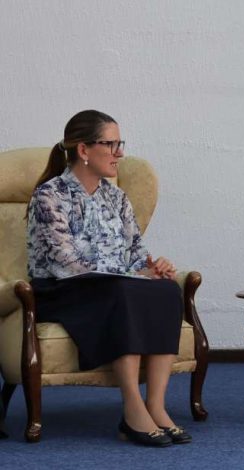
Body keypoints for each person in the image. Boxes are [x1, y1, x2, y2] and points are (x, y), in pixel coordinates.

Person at [26, 110, 191, 447]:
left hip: (112, 286)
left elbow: (135, 254)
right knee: (124, 292)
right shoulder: (48, 196)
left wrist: (153, 269)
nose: (120, 153)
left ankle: (156, 406)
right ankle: (132, 408)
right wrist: (131, 275)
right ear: (84, 150)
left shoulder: (116, 197)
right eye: (111, 144)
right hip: (61, 290)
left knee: (165, 290)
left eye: (120, 144)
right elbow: (67, 265)